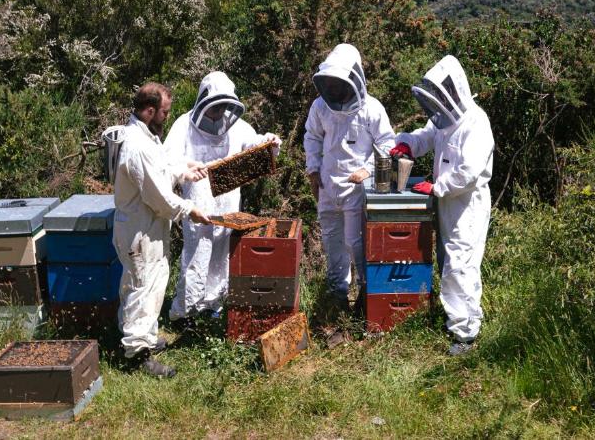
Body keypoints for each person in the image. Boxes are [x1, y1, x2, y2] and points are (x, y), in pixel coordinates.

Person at [390, 56, 494, 356]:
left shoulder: (476, 123)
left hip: (466, 204)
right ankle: (460, 318)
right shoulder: (446, 119)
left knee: (460, 265)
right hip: (446, 203)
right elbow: (427, 135)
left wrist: (438, 187)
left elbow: (469, 171)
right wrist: (407, 142)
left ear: (455, 90)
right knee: (448, 259)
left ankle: (465, 334)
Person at [165, 71, 281, 324]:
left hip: (228, 199)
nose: (218, 113)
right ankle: (185, 311)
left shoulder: (237, 126)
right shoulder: (184, 125)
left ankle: (212, 304)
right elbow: (168, 160)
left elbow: (254, 146)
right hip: (197, 201)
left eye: (222, 107)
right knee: (197, 252)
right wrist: (187, 167)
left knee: (220, 252)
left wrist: (269, 142)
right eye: (214, 106)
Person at [113, 82, 211, 378]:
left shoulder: (146, 137)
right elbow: (158, 196)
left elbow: (160, 170)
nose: (167, 117)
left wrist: (184, 169)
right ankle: (137, 355)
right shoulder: (137, 145)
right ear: (150, 110)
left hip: (147, 228)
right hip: (140, 231)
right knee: (143, 288)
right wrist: (190, 210)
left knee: (147, 284)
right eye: (164, 113)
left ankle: (143, 338)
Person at [303, 43, 395, 311]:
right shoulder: (320, 106)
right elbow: (312, 137)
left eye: (338, 82)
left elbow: (388, 143)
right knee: (332, 243)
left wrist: (368, 169)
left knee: (356, 243)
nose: (334, 88)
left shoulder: (372, 109)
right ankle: (338, 296)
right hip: (327, 184)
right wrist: (313, 169)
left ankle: (367, 296)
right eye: (330, 82)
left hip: (357, 188)